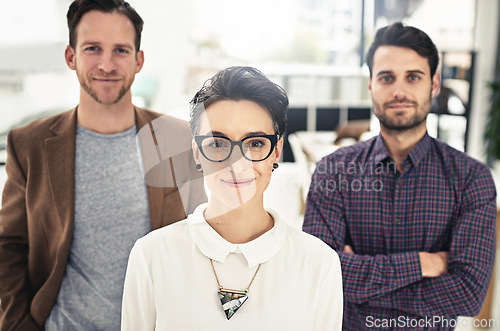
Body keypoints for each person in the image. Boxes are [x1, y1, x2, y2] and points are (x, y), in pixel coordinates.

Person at [0, 0, 205, 330]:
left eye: (121, 50)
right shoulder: (30, 145)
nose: (107, 64)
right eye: (93, 48)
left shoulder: (177, 138)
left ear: (138, 61)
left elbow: (201, 238)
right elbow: (9, 245)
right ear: (72, 56)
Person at [303, 22, 497, 330]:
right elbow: (316, 275)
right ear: (371, 85)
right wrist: (425, 263)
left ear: (434, 84)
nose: (399, 91)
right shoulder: (333, 170)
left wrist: (356, 277)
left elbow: (468, 294)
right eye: (386, 77)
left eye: (413, 77)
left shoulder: (471, 178)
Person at [121, 66, 343, 330]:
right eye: (218, 144)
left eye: (256, 143)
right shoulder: (151, 256)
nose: (237, 164)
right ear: (196, 153)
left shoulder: (319, 263)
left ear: (276, 152)